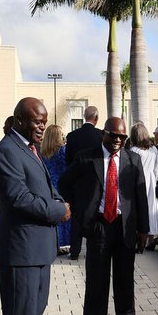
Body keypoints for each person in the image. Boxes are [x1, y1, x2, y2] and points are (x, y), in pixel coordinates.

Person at [0, 98, 70, 315]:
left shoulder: (29, 148)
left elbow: (45, 187)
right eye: (38, 121)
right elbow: (19, 198)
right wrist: (56, 211)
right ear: (20, 120)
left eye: (44, 121)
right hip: (21, 250)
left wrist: (59, 201)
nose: (42, 126)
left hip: (38, 248)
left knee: (33, 311)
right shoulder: (7, 150)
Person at [58, 118, 150, 315]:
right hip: (99, 226)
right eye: (113, 135)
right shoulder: (87, 157)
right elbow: (64, 183)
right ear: (104, 134)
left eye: (122, 137)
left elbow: (141, 196)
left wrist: (144, 230)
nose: (118, 140)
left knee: (125, 279)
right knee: (97, 281)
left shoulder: (133, 159)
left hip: (124, 226)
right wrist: (77, 211)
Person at [65, 105, 103, 260]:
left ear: (83, 117)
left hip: (77, 181)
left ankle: (74, 251)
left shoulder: (72, 136)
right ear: (96, 118)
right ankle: (94, 250)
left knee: (76, 217)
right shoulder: (101, 135)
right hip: (96, 182)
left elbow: (68, 161)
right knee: (96, 215)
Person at [129, 122, 158, 248]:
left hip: (139, 181)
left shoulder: (133, 151)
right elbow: (157, 170)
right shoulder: (154, 150)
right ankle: (151, 238)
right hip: (151, 180)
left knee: (140, 207)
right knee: (151, 208)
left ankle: (140, 237)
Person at [40, 124, 71, 254]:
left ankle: (53, 243)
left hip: (48, 185)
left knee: (52, 215)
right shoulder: (63, 151)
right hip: (62, 185)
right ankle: (65, 243)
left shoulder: (42, 152)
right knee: (64, 214)